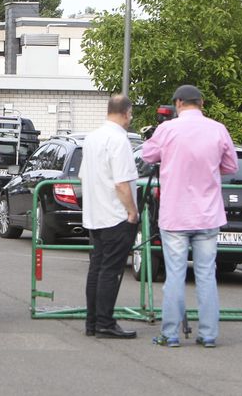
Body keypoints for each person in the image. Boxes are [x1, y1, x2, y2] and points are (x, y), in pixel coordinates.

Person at [142, 85, 238, 348]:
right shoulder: (218, 129)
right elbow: (231, 166)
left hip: (175, 215)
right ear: (202, 103)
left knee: (175, 275)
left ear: (178, 103)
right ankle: (208, 334)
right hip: (207, 215)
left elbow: (147, 155)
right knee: (207, 274)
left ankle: (170, 334)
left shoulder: (168, 129)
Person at [79, 95, 139, 339]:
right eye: (131, 113)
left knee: (97, 268)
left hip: (95, 214)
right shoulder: (119, 141)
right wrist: (132, 211)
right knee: (111, 271)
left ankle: (92, 321)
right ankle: (105, 321)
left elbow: (84, 176)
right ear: (125, 113)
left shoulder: (91, 138)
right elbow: (122, 183)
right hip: (116, 215)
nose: (131, 118)